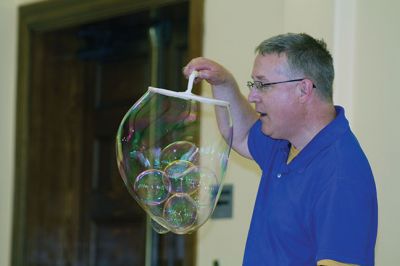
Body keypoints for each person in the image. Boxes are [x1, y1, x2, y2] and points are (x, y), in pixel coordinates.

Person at [183, 33, 378, 266]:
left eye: (262, 85)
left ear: (304, 90)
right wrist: (224, 82)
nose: (253, 96)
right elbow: (242, 135)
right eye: (253, 85)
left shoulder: (341, 173)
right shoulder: (284, 143)